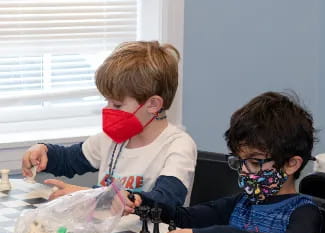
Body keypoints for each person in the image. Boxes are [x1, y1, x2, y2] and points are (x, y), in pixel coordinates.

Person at [21, 41, 196, 214]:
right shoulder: (112, 137)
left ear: (153, 104)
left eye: (117, 105)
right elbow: (69, 160)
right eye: (107, 101)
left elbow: (165, 200)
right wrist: (44, 151)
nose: (107, 109)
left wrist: (87, 196)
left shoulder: (178, 146)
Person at [160, 92, 322, 233]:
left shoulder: (304, 212)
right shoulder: (242, 204)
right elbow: (184, 217)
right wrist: (141, 203)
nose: (244, 170)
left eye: (254, 162)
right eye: (240, 160)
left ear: (291, 164)